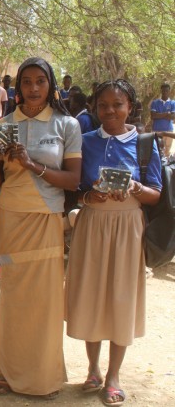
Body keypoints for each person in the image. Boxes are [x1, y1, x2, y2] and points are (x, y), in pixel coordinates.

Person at [0, 57, 82, 399]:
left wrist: (31, 164)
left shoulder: (67, 125)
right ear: (18, 87)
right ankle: (11, 372)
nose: (34, 88)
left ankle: (43, 376)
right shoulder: (2, 124)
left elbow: (73, 179)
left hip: (46, 219)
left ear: (50, 85)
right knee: (12, 292)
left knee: (45, 298)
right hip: (11, 217)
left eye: (41, 81)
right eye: (27, 82)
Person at [65, 80, 162, 407]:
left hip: (127, 227)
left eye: (117, 104)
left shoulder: (145, 143)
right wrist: (90, 194)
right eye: (103, 105)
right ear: (95, 108)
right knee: (91, 294)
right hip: (92, 223)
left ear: (130, 106)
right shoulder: (86, 141)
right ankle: (92, 369)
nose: (110, 111)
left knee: (121, 298)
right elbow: (75, 188)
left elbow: (156, 194)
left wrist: (134, 187)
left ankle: (113, 376)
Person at [150, 83, 174, 157]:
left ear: (169, 91)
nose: (165, 93)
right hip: (156, 130)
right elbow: (153, 116)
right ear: (161, 91)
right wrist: (167, 113)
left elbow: (173, 117)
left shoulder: (173, 103)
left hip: (168, 130)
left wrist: (159, 115)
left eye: (166, 91)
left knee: (167, 151)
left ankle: (165, 167)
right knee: (155, 150)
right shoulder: (155, 103)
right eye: (163, 91)